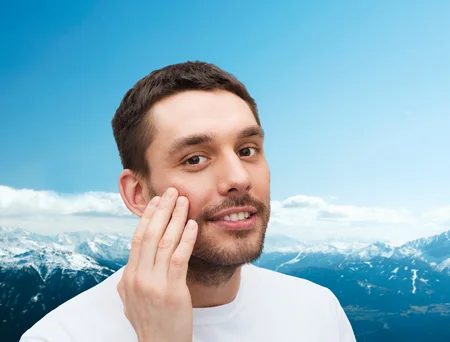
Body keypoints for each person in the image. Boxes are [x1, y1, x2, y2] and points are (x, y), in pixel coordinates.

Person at [20, 61, 356, 341]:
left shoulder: (318, 311)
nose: (238, 178)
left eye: (247, 150)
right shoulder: (60, 336)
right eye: (195, 159)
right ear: (137, 194)